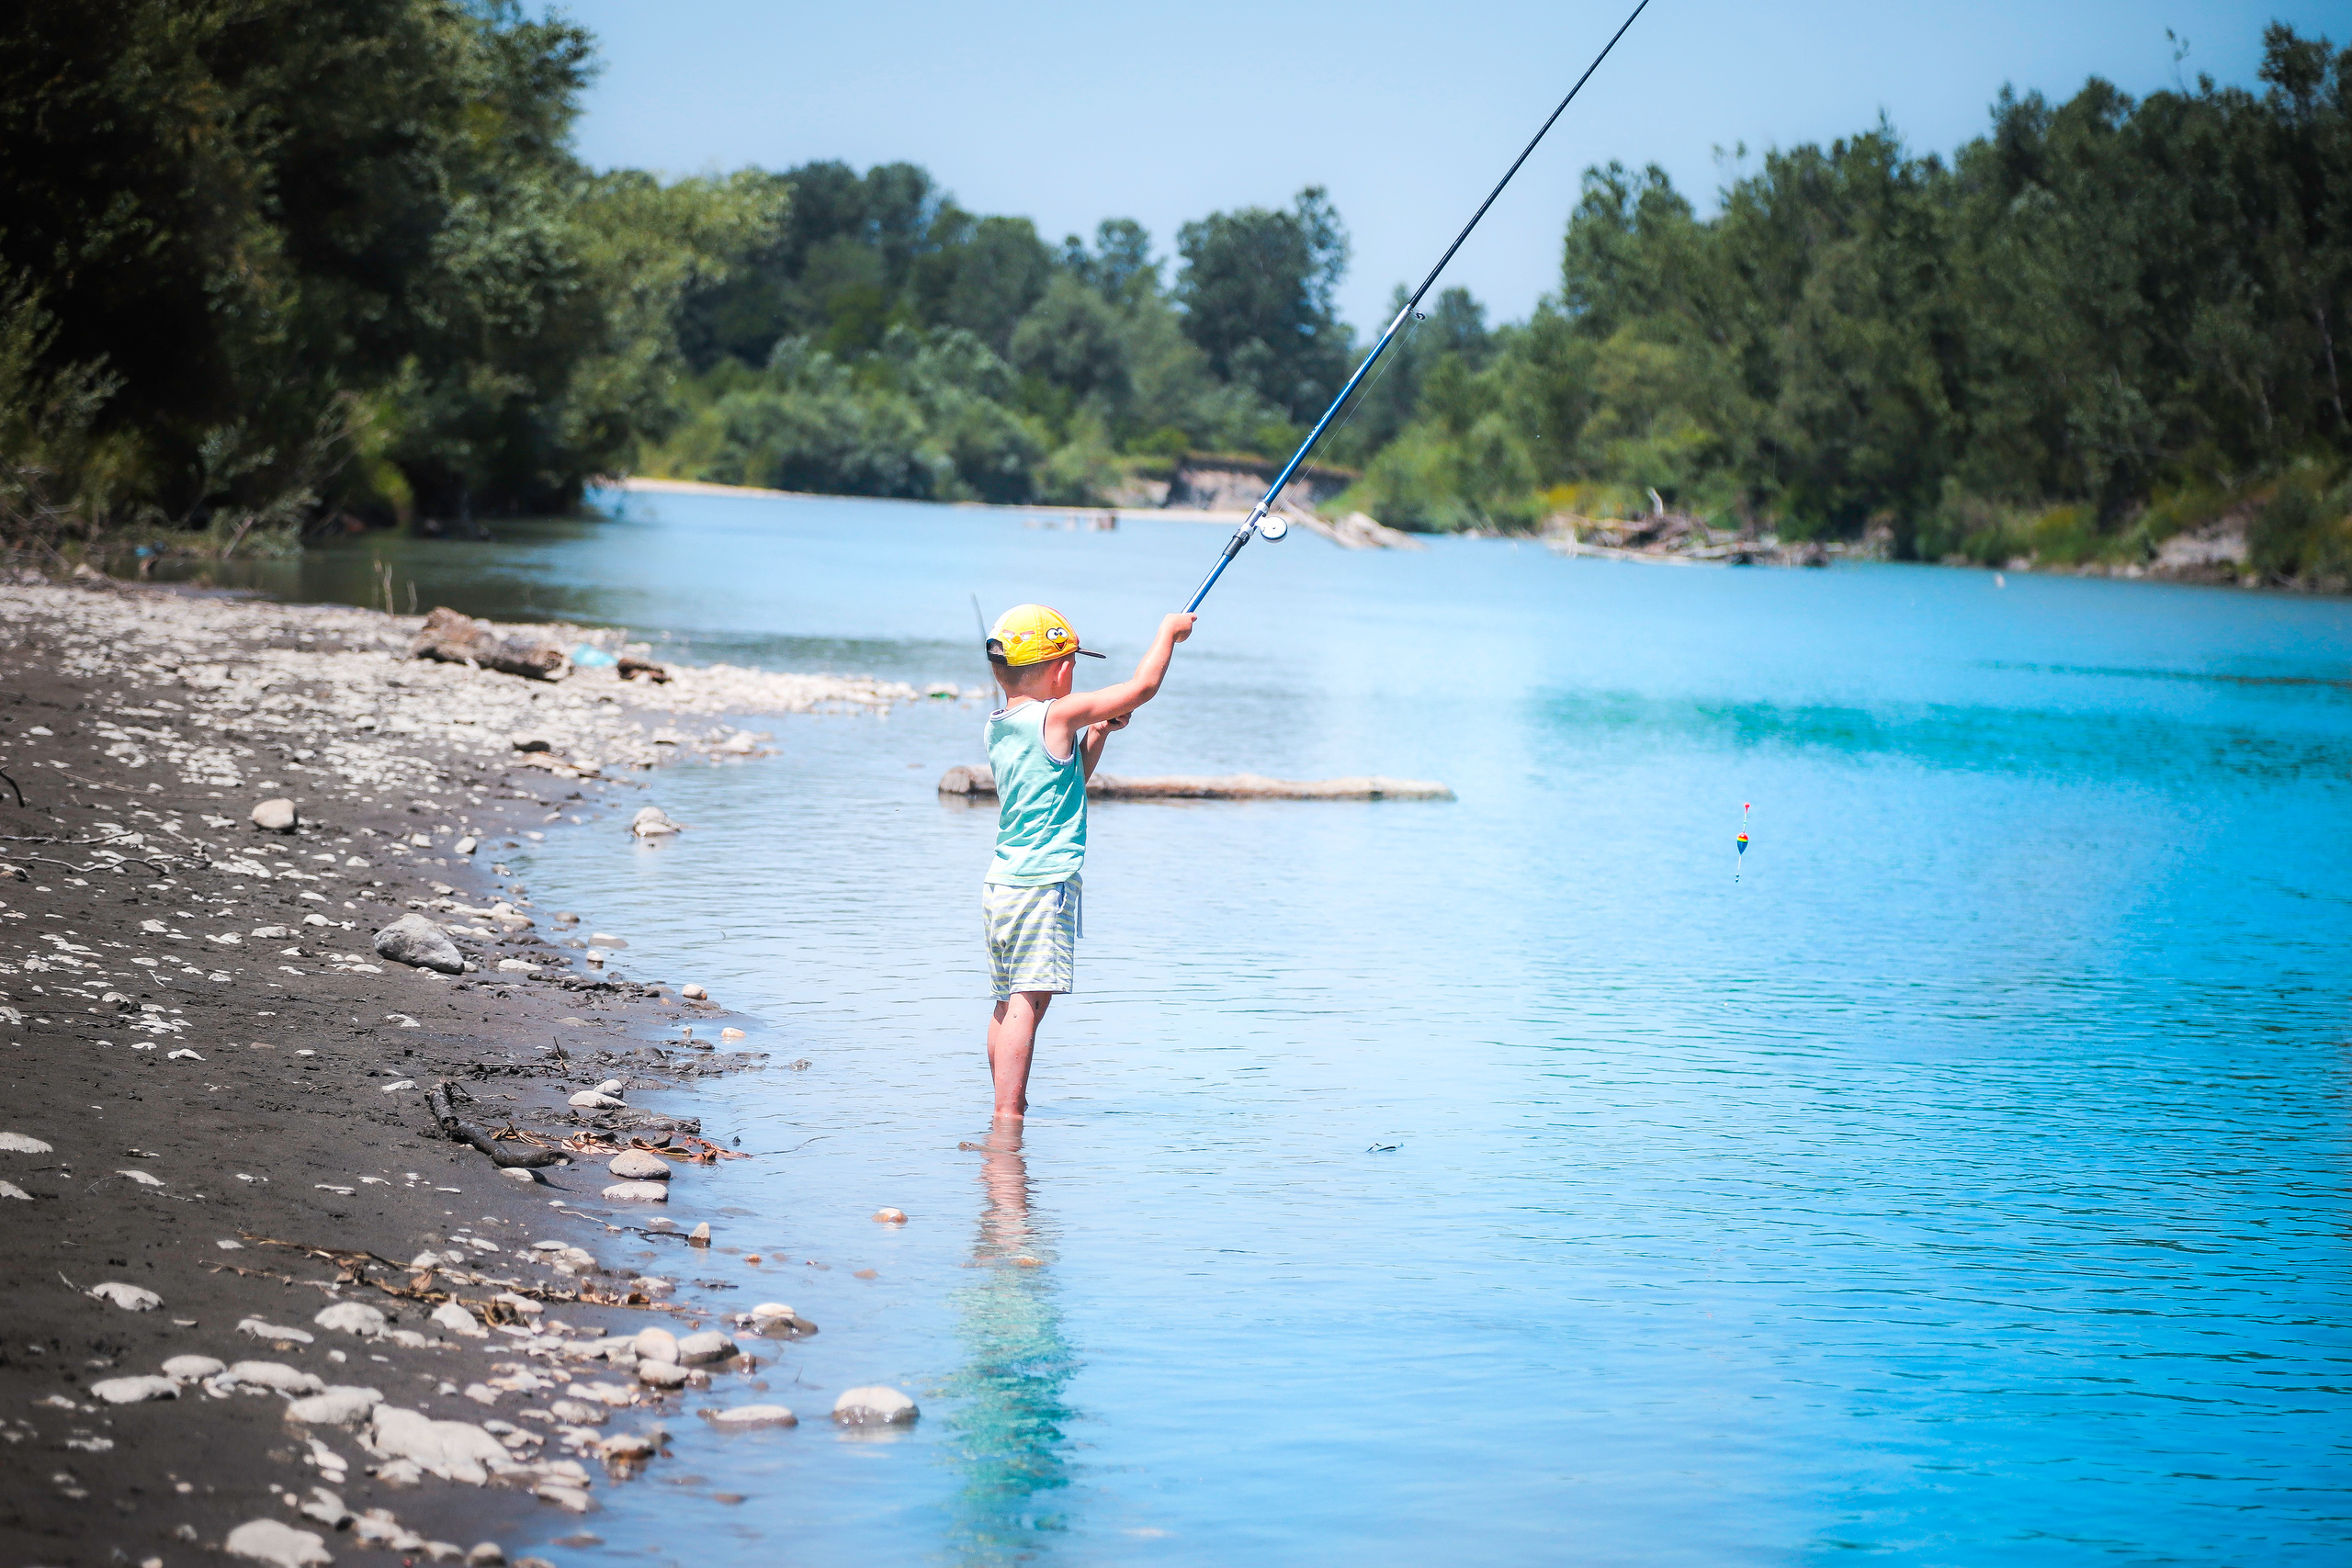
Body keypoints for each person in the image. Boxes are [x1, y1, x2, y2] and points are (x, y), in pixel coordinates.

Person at [979, 602, 1193, 1120]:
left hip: (1003, 886)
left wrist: (1096, 734)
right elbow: (1141, 688)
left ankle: (1005, 1106)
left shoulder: (1001, 724)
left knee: (1009, 1003)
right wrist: (1167, 631)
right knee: (1029, 1003)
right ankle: (1008, 1118)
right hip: (1042, 885)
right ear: (1063, 669)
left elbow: (1066, 782)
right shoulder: (1057, 714)